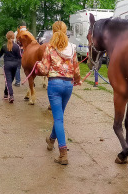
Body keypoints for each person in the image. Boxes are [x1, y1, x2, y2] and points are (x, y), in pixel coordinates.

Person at [37, 21, 81, 165]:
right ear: (65, 31)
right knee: (59, 117)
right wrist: (77, 80)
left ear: (53, 31)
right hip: (68, 85)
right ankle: (51, 140)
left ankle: (63, 154)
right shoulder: (72, 48)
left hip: (54, 85)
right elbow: (76, 69)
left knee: (58, 119)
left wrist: (37, 65)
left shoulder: (50, 47)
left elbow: (43, 70)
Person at [0, 31, 21, 103]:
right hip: (15, 65)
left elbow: (0, 55)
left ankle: (11, 95)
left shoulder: (4, 46)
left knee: (8, 81)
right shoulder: (17, 46)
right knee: (10, 80)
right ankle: (6, 93)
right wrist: (19, 65)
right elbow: (19, 57)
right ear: (14, 37)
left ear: (6, 37)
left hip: (7, 65)